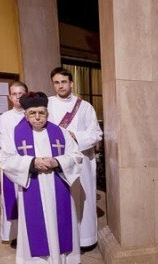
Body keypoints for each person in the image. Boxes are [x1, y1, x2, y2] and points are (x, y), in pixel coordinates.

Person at [0, 92, 83, 264]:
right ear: (26, 114)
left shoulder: (60, 132)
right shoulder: (14, 134)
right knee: (36, 226)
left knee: (61, 222)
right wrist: (31, 162)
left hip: (58, 185)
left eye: (41, 113)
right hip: (32, 185)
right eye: (32, 113)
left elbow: (76, 156)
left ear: (47, 113)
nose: (37, 117)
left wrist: (57, 161)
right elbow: (5, 160)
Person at [47, 67, 103, 253]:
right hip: (56, 160)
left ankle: (85, 239)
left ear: (71, 83)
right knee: (60, 200)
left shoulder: (85, 107)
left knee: (82, 199)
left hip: (81, 161)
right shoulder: (47, 105)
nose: (60, 86)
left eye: (64, 82)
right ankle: (63, 239)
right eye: (56, 82)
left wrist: (75, 136)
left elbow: (96, 134)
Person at [0, 81, 28, 244]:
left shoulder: (33, 114)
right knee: (13, 198)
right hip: (11, 164)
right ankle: (15, 235)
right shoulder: (3, 118)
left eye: (21, 93)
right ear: (10, 97)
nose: (18, 97)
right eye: (14, 94)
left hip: (29, 164)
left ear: (26, 94)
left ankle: (31, 232)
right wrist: (9, 145)